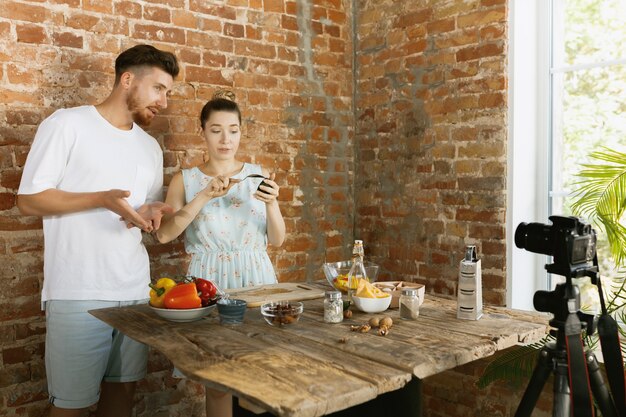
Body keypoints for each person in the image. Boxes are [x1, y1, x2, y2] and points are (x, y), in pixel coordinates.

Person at [16, 44, 179, 417]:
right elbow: (29, 200)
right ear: (127, 80)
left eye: (167, 92)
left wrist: (147, 212)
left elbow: (133, 213)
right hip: (78, 292)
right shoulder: (67, 124)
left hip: (134, 290)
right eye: (158, 88)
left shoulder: (150, 147)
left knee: (120, 402)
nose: (164, 102)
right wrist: (100, 198)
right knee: (72, 408)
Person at [155, 90, 286, 417]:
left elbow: (278, 240)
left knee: (261, 375)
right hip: (210, 281)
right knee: (216, 379)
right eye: (216, 130)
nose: (225, 139)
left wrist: (272, 204)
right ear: (203, 132)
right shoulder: (185, 179)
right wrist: (203, 195)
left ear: (241, 131)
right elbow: (164, 234)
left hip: (256, 277)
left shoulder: (258, 174)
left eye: (233, 130)